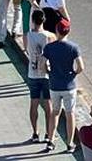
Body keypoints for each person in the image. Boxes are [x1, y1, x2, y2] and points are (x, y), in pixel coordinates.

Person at [42, 18, 85, 153]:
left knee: (55, 112)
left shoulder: (49, 47)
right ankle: (69, 143)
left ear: (57, 31)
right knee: (69, 114)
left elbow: (42, 64)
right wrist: (73, 73)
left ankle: (50, 140)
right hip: (69, 86)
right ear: (68, 32)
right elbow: (81, 67)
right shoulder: (73, 47)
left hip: (54, 85)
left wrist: (48, 71)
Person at [24, 8, 54, 144]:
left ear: (33, 21)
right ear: (43, 21)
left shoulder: (28, 35)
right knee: (48, 105)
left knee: (34, 104)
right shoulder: (49, 36)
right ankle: (49, 133)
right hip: (46, 74)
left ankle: (35, 133)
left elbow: (26, 50)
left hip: (33, 72)